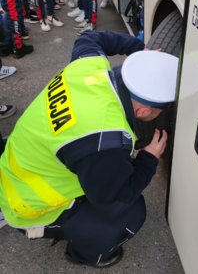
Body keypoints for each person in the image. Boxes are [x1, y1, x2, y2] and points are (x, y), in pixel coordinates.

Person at [0, 30, 178, 268]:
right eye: (161, 109)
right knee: (131, 211)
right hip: (26, 206)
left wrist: (138, 50)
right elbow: (112, 206)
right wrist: (148, 159)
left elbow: (89, 37)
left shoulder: (89, 66)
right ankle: (86, 254)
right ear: (144, 112)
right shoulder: (103, 140)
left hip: (15, 167)